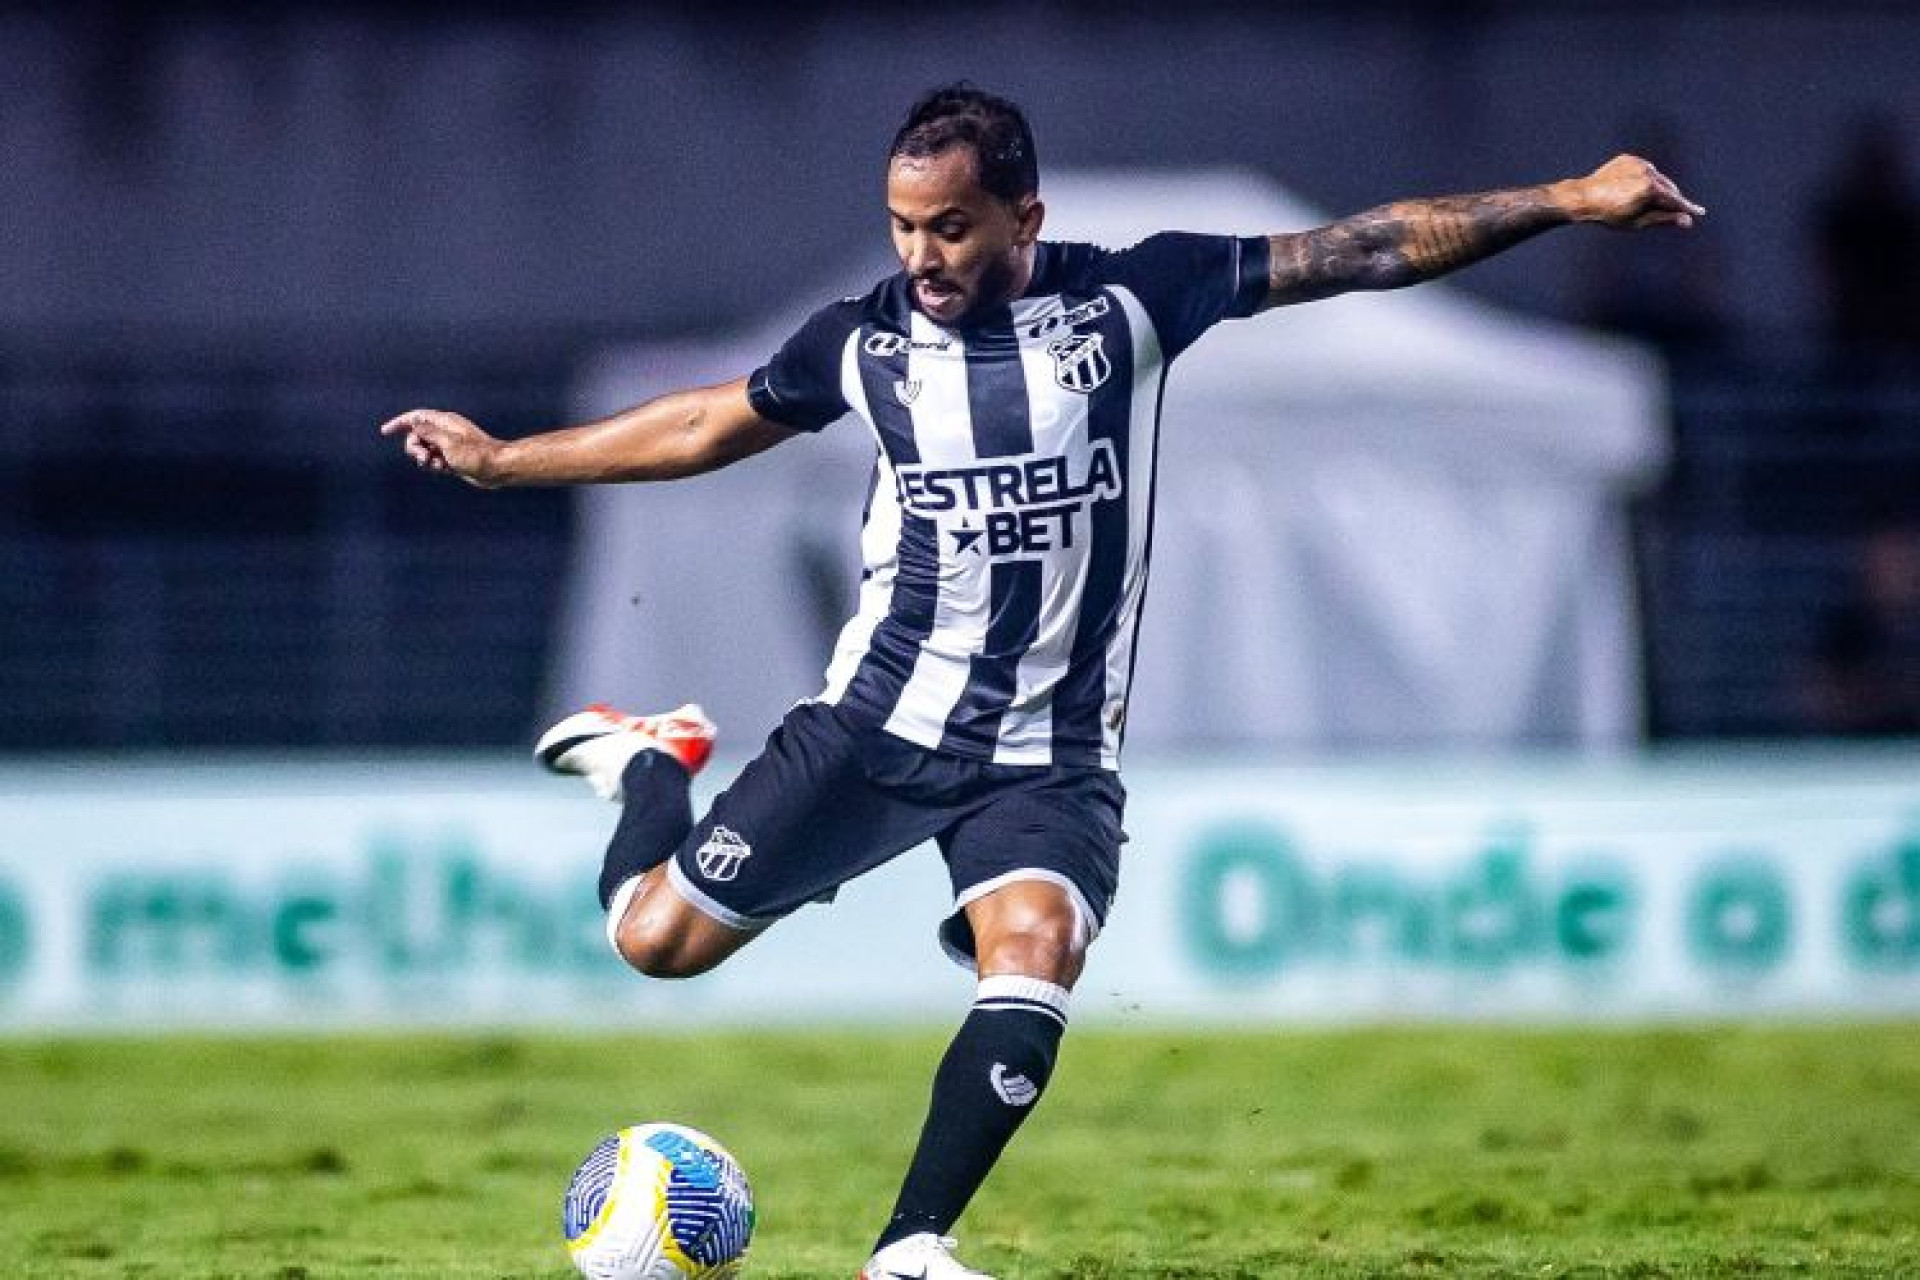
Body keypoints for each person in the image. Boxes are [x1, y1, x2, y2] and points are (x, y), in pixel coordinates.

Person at [381, 84, 1702, 1279]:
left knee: (1035, 952)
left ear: (1026, 214)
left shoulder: (1134, 301)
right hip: (875, 730)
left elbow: (1364, 246)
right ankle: (651, 766)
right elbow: (697, 423)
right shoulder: (865, 343)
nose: (922, 258)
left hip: (1051, 755)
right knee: (652, 946)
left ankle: (909, 1249)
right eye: (903, 228)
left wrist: (1572, 199)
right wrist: (509, 461)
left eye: (951, 228)